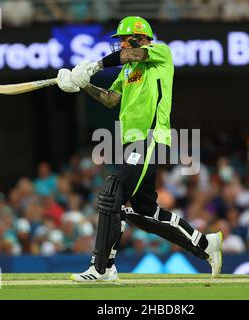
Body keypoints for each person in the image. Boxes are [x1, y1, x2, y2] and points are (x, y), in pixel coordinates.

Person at [56, 16, 222, 282]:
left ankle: (102, 267)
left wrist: (94, 66)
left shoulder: (160, 53)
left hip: (151, 137)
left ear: (140, 37)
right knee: (144, 212)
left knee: (114, 191)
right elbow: (111, 100)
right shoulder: (126, 71)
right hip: (128, 141)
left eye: (124, 39)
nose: (121, 45)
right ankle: (205, 245)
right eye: (119, 40)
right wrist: (82, 83)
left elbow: (131, 55)